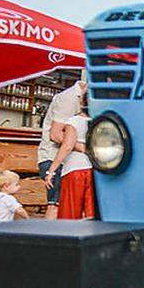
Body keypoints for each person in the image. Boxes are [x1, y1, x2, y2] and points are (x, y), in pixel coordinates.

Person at [37, 80, 86, 220]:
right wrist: (84, 148)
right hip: (55, 159)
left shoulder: (86, 98)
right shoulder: (69, 98)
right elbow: (56, 134)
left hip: (71, 163)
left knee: (69, 207)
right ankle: (47, 240)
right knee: (55, 205)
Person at [44, 101, 94, 220]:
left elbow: (67, 146)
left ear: (81, 102)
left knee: (69, 215)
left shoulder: (74, 121)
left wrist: (51, 171)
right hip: (93, 169)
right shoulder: (99, 121)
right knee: (92, 215)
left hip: (74, 170)